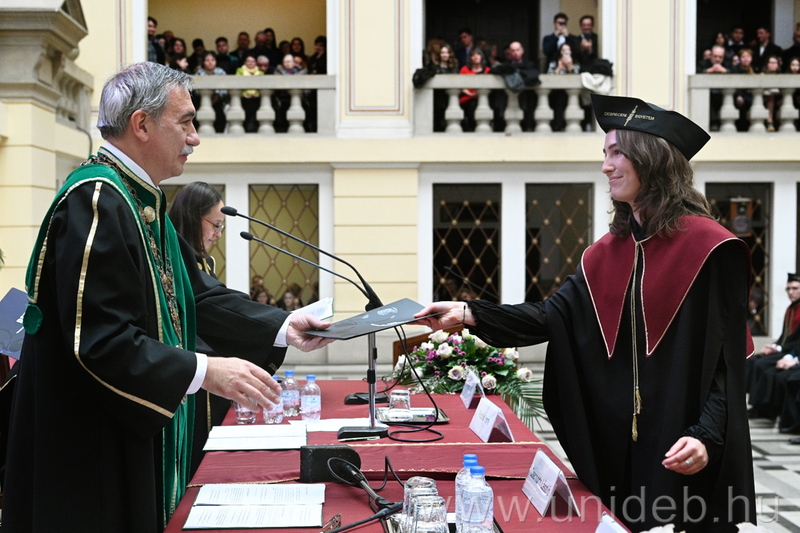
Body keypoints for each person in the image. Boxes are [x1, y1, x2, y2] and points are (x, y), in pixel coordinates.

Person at [2, 62, 333, 532]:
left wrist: (282, 325)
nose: (195, 138)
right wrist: (205, 370)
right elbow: (101, 341)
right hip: (93, 449)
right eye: (186, 122)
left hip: (123, 432)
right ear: (142, 124)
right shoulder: (97, 200)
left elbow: (198, 296)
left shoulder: (141, 200)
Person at [414, 94, 756, 532]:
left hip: (687, 440)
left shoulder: (712, 248)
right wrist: (467, 313)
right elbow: (550, 316)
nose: (606, 166)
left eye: (616, 153)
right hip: (622, 448)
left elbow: (727, 364)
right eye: (604, 154)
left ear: (651, 159)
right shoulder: (607, 252)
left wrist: (707, 435)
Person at [746, 273, 800, 421]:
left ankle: (765, 409)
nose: (791, 292)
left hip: (792, 352)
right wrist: (774, 346)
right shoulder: (790, 309)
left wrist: (781, 350)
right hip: (785, 349)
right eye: (788, 289)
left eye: (795, 288)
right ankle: (756, 406)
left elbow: (797, 341)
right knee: (753, 361)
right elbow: (784, 336)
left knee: (762, 366)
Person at [195, 51, 229, 133]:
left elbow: (225, 88)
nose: (210, 62)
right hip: (202, 99)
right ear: (203, 62)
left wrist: (217, 97)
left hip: (218, 100)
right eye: (207, 60)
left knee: (220, 116)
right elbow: (196, 90)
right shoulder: (199, 73)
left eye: (212, 60)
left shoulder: (220, 72)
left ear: (216, 61)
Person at [458, 48, 490, 131]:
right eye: (473, 55)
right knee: (472, 104)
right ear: (470, 58)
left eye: (478, 54)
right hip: (467, 98)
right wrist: (471, 94)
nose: (476, 57)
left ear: (482, 56)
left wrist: (479, 94)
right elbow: (461, 86)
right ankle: (472, 128)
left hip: (484, 98)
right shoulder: (464, 69)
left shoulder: (487, 70)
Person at [235, 54, 264, 133]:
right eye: (248, 61)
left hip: (256, 98)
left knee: (255, 118)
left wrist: (258, 93)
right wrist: (244, 94)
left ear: (256, 63)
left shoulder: (260, 72)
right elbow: (237, 84)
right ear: (245, 62)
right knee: (246, 117)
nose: (250, 63)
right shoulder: (240, 70)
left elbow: (263, 86)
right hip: (245, 98)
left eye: (253, 61)